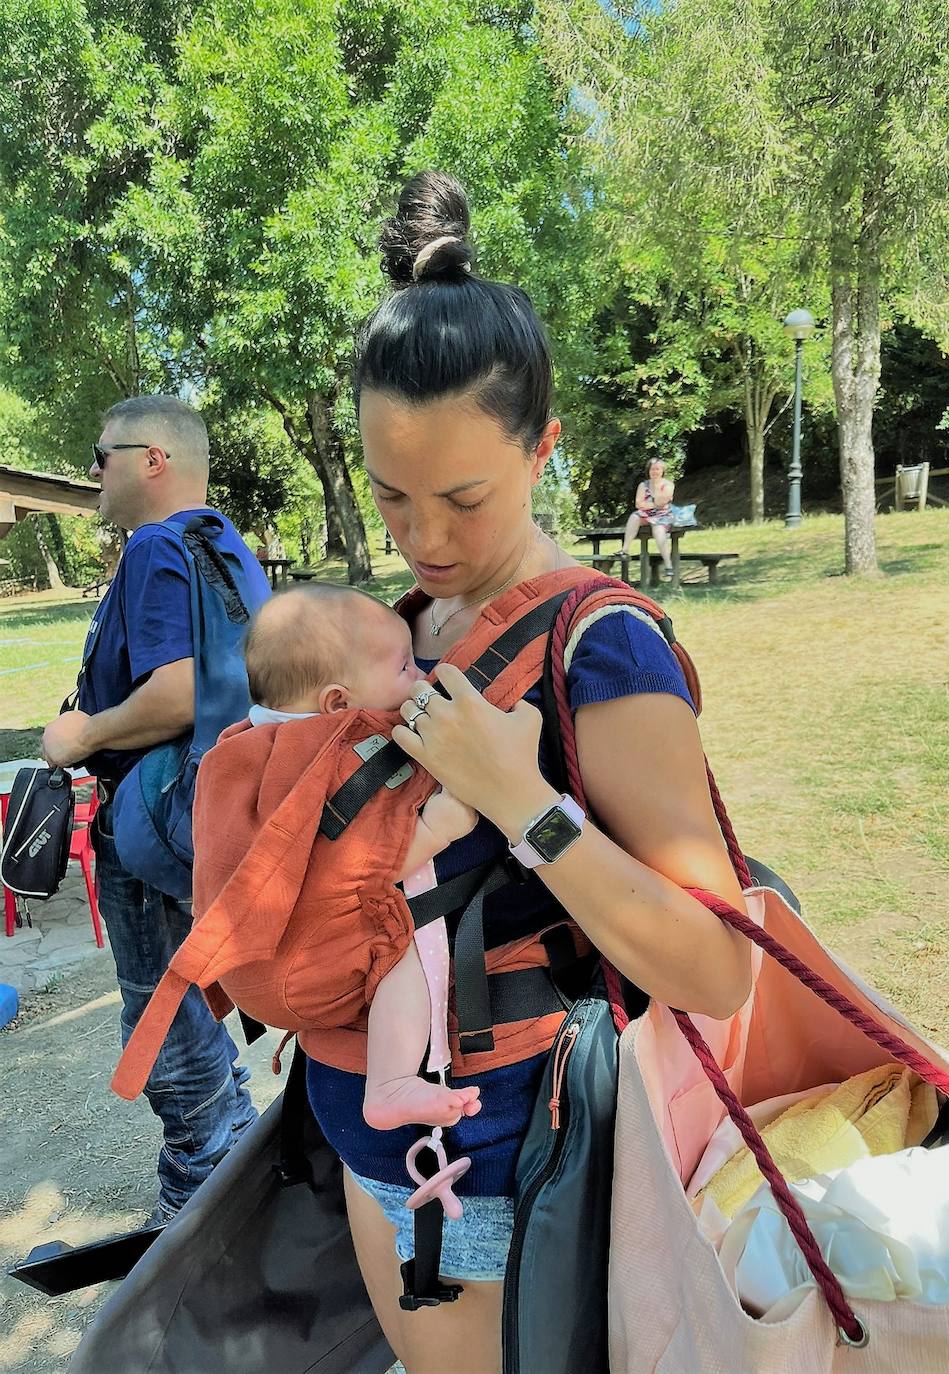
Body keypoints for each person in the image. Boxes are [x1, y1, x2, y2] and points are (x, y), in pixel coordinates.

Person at [296, 170, 752, 1374]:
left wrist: (519, 801)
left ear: (545, 451)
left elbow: (716, 966)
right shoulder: (409, 623)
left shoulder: (605, 648)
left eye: (463, 499)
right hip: (367, 1119)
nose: (426, 540)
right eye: (390, 496)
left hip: (500, 1147)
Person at [41, 395, 269, 1226]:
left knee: (165, 1026)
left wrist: (80, 735)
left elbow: (174, 692)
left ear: (152, 460)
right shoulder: (227, 547)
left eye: (103, 456)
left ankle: (200, 1212)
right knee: (196, 1000)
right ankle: (235, 1156)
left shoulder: (156, 547)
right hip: (217, 814)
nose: (93, 473)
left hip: (150, 814)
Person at [242, 583, 482, 1132]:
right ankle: (391, 1084)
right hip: (317, 949)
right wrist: (439, 827)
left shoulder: (256, 741)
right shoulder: (328, 755)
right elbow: (359, 870)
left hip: (271, 967)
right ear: (337, 703)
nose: (420, 676)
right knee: (407, 952)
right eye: (404, 669)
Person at [619, 457, 677, 579]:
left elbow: (663, 502)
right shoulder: (643, 485)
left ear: (662, 470)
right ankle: (624, 550)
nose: (654, 472)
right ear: (648, 471)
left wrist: (651, 503)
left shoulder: (668, 484)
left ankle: (668, 565)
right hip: (645, 514)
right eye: (652, 469)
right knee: (634, 517)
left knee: (658, 530)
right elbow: (638, 504)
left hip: (663, 515)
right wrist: (654, 504)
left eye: (657, 469)